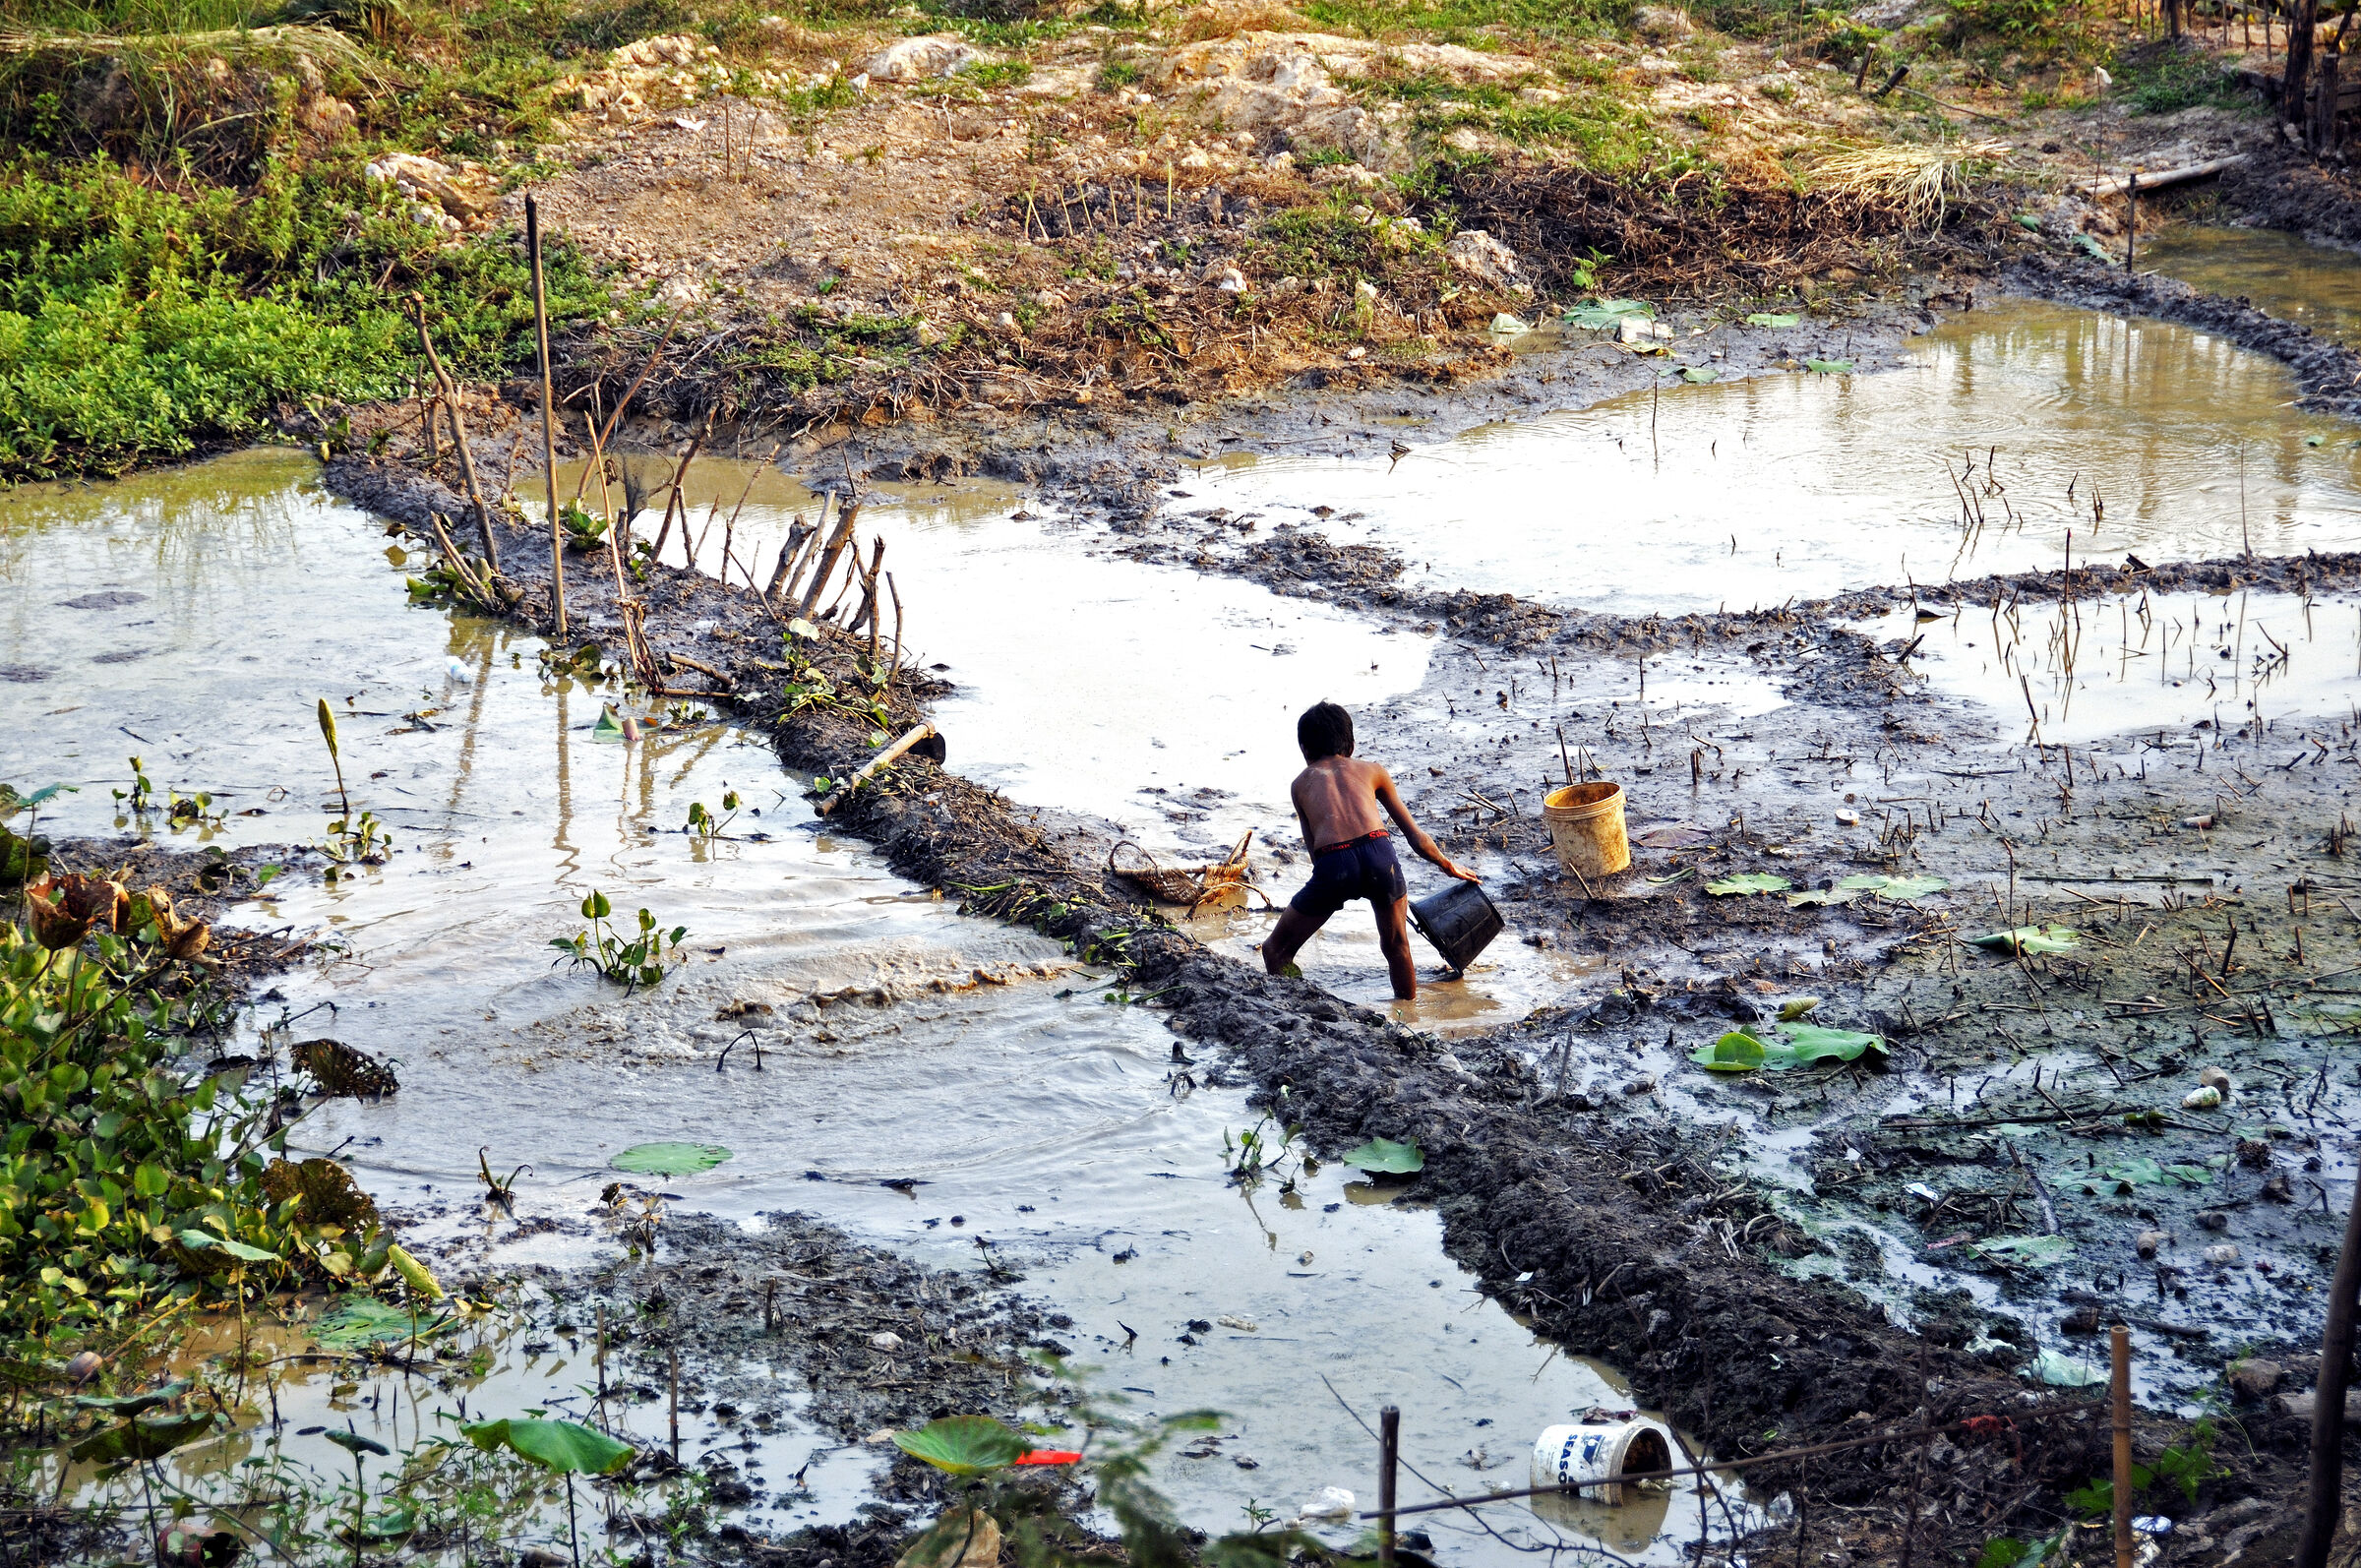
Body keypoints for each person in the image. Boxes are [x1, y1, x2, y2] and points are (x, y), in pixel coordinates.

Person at [1262, 700, 1477, 1000]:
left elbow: (1316, 855)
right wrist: (1447, 864)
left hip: (1335, 862)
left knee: (1275, 949)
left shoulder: (1301, 784)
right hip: (1380, 854)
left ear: (1304, 749)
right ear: (1350, 745)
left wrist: (1333, 889)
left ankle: (1291, 1006)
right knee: (1396, 945)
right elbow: (1415, 837)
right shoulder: (1373, 771)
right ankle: (1407, 1014)